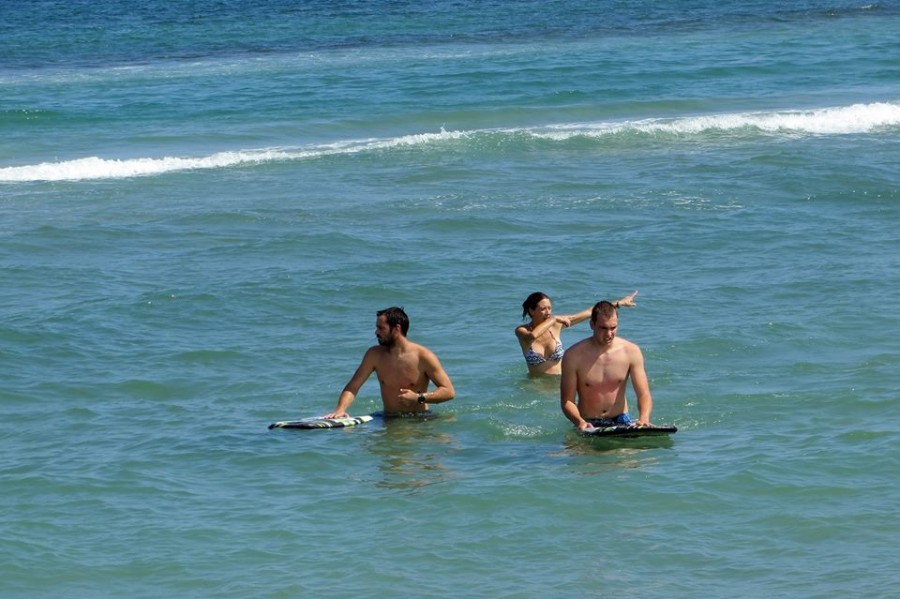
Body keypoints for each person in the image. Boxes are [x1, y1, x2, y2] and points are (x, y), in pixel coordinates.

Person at [325, 307, 455, 418]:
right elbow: (353, 386)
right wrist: (340, 409)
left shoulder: (423, 356)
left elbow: (448, 391)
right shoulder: (374, 355)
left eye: (381, 328)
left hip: (419, 419)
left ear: (396, 329)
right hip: (389, 418)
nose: (376, 332)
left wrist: (418, 398)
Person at [560, 300, 653, 431]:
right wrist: (579, 421)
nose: (609, 334)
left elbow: (643, 394)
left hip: (622, 420)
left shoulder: (631, 351)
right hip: (588, 423)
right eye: (603, 328)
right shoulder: (573, 356)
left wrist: (644, 418)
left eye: (613, 328)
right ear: (592, 325)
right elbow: (567, 401)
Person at [515, 290, 638, 376]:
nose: (548, 312)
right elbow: (533, 336)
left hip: (560, 383)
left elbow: (590, 312)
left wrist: (619, 303)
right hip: (536, 388)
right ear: (531, 310)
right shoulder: (522, 331)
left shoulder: (556, 325)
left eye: (549, 308)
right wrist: (554, 319)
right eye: (543, 309)